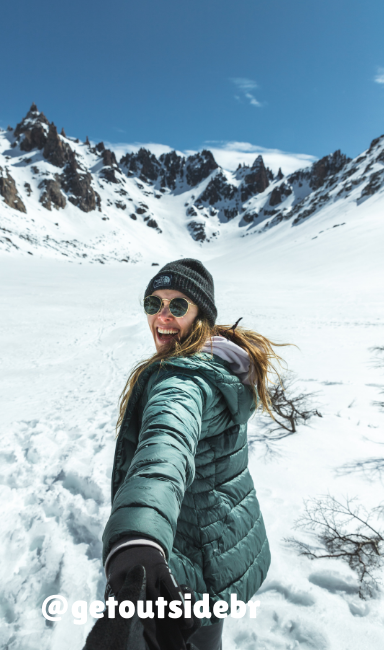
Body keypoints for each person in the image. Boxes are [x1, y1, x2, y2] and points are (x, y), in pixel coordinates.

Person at [101, 259, 283, 650]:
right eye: (153, 303)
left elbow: (166, 447)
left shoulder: (183, 381)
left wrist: (137, 542)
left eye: (178, 305)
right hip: (218, 544)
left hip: (186, 564)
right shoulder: (220, 362)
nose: (162, 316)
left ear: (202, 315)